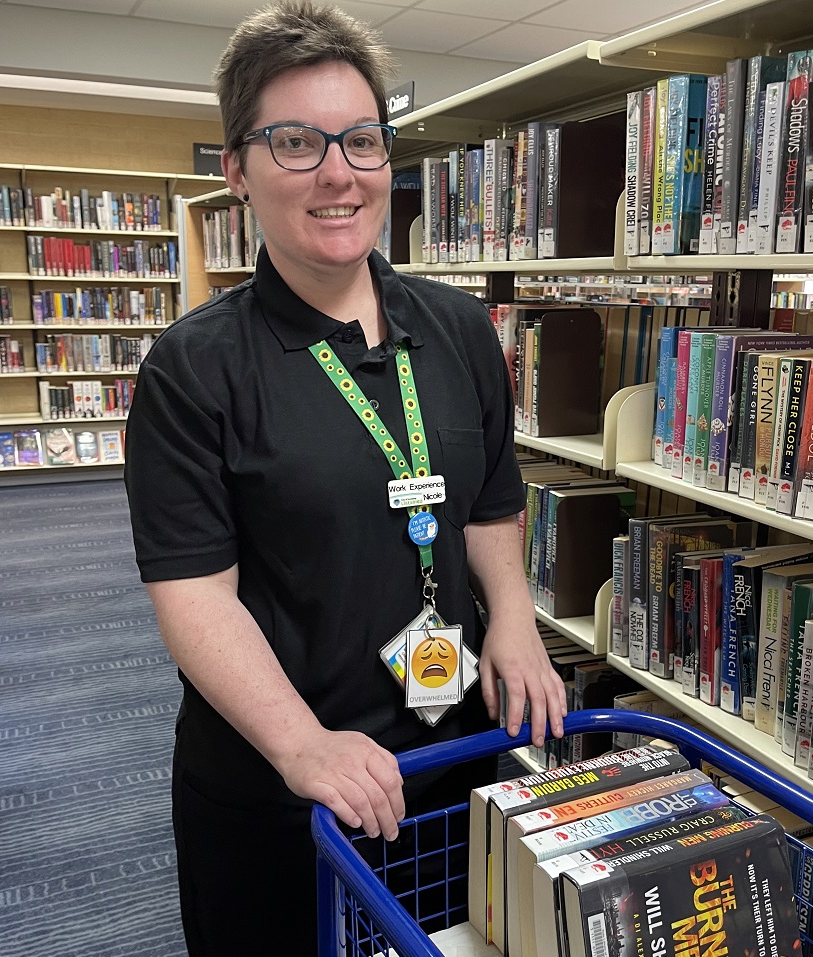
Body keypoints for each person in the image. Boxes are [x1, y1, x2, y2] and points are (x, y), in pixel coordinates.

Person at [123, 2, 567, 953]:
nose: (338, 172)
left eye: (361, 140)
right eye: (295, 142)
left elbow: (489, 503)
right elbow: (195, 598)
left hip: (455, 759)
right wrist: (302, 745)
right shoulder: (192, 369)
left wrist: (519, 623)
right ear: (236, 171)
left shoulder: (457, 329)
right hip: (288, 790)